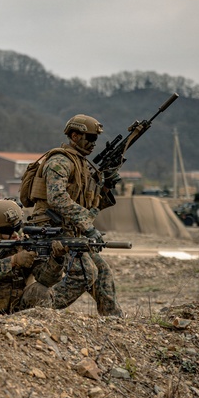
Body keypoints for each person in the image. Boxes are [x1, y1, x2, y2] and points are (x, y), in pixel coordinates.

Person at [25, 114, 123, 316]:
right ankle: (40, 311)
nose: (94, 144)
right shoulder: (60, 161)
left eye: (96, 139)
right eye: (90, 138)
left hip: (70, 231)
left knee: (102, 272)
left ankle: (114, 320)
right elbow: (57, 198)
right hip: (53, 230)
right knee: (86, 274)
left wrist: (105, 186)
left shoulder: (83, 166)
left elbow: (89, 205)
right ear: (75, 136)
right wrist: (87, 226)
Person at [0, 199, 68, 319]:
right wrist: (14, 261)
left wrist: (57, 259)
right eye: (8, 230)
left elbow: (47, 281)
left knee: (41, 290)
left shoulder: (27, 245)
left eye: (18, 227)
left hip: (19, 313)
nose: (15, 234)